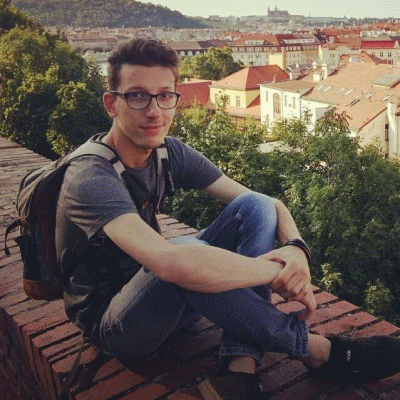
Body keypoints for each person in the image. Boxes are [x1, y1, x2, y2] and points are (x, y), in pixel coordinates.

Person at [56, 38, 400, 400]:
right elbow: (171, 264)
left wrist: (297, 250)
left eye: (165, 95)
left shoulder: (167, 152)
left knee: (254, 207)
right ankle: (318, 351)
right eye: (137, 96)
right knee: (185, 254)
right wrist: (275, 273)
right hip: (117, 326)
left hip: (172, 296)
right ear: (112, 103)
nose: (154, 111)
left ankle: (240, 368)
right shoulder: (89, 175)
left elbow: (267, 204)